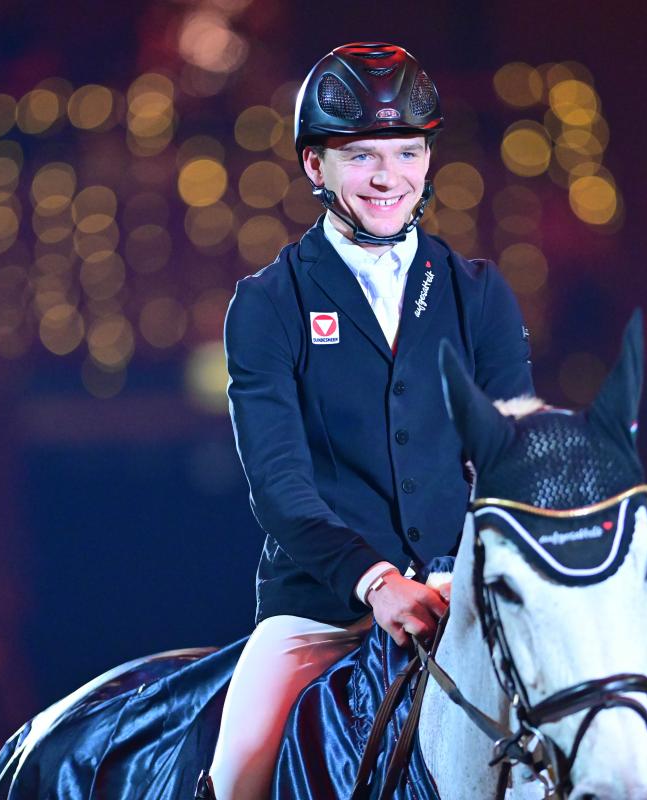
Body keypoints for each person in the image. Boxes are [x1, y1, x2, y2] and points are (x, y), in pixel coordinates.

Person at [203, 42, 535, 799]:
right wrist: (376, 581)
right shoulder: (268, 304)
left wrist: (470, 576)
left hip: (465, 602)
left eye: (407, 151)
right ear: (315, 167)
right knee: (237, 776)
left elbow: (510, 462)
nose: (388, 176)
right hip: (325, 609)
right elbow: (280, 487)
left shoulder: (478, 293)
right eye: (360, 156)